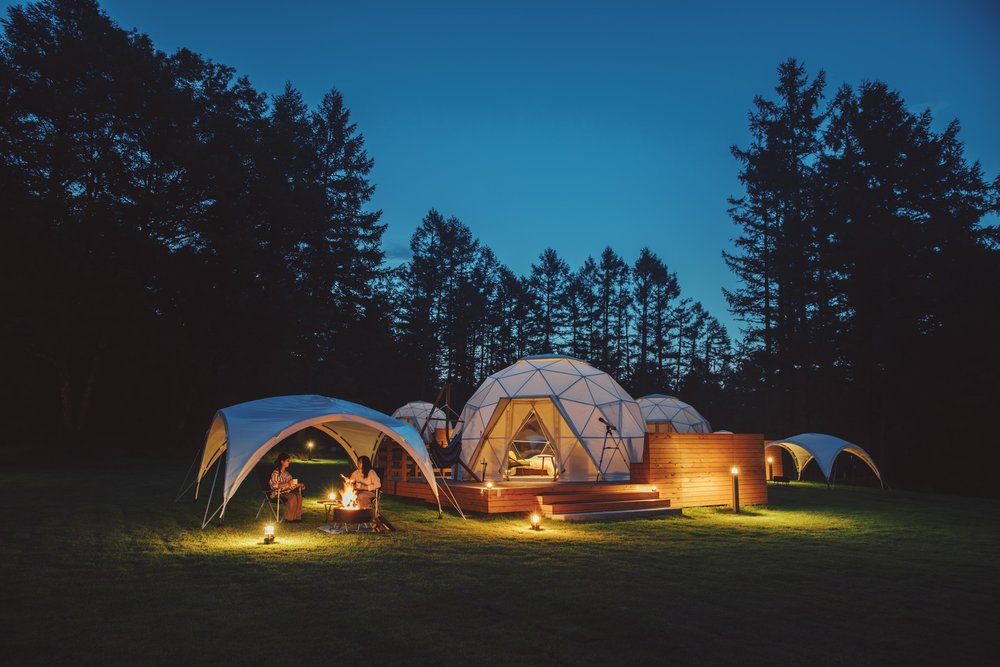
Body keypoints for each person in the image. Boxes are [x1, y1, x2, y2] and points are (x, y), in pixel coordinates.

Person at [269, 453, 306, 521]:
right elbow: (274, 486)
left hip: (286, 493)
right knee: (292, 496)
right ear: (282, 462)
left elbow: (291, 486)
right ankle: (289, 518)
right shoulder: (276, 473)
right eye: (288, 461)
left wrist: (299, 485)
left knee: (299, 496)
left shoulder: (287, 474)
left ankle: (297, 518)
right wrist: (287, 484)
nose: (289, 462)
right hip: (277, 494)